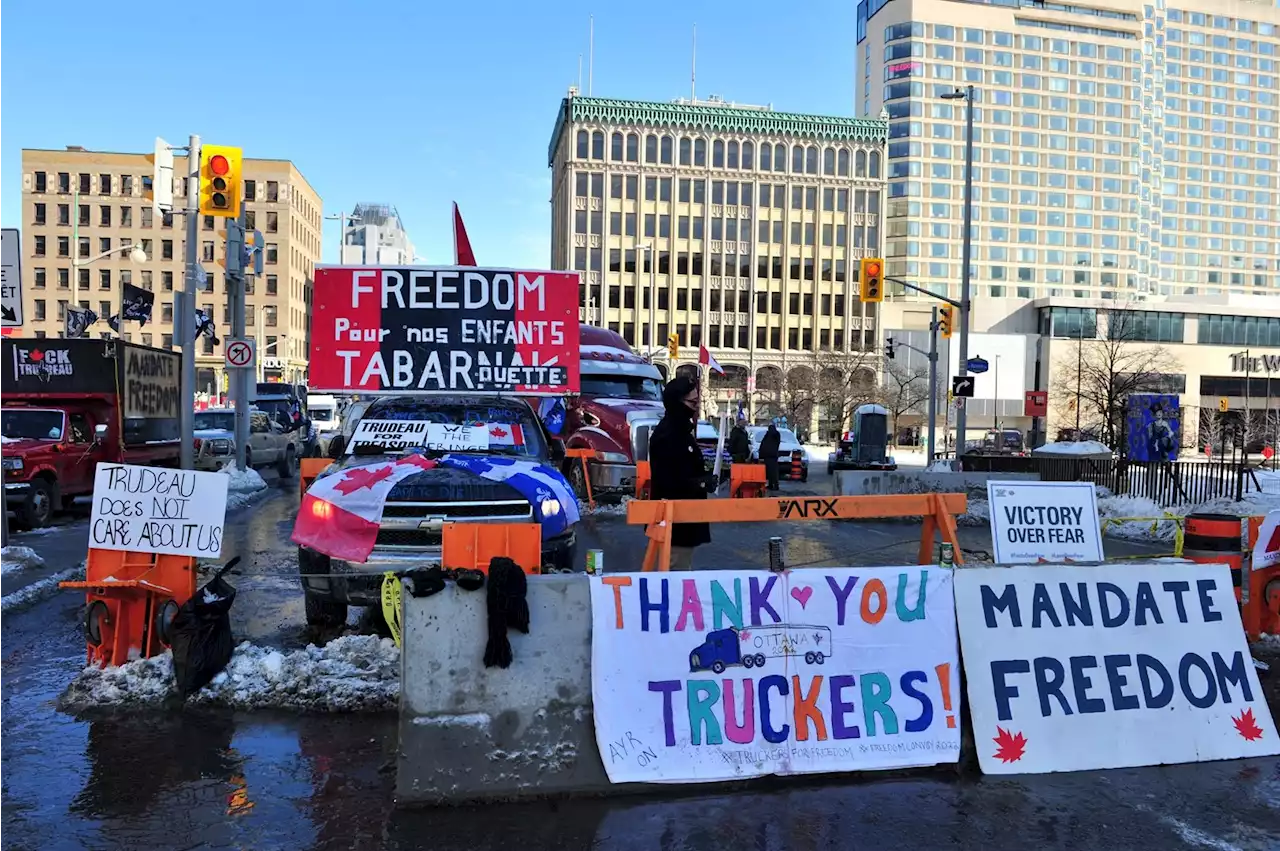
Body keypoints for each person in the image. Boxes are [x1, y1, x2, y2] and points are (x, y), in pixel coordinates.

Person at [648, 376, 714, 570]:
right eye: (692, 402)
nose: (696, 407)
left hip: (684, 521)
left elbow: (687, 468)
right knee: (675, 575)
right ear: (677, 402)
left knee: (681, 571)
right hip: (674, 524)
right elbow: (669, 480)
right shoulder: (668, 435)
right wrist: (700, 482)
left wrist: (705, 477)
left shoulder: (682, 432)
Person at [760, 423, 782, 491]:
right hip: (771, 455)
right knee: (772, 472)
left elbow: (763, 444)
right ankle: (772, 485)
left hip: (770, 456)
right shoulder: (773, 435)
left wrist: (761, 454)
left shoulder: (772, 435)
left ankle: (774, 485)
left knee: (772, 472)